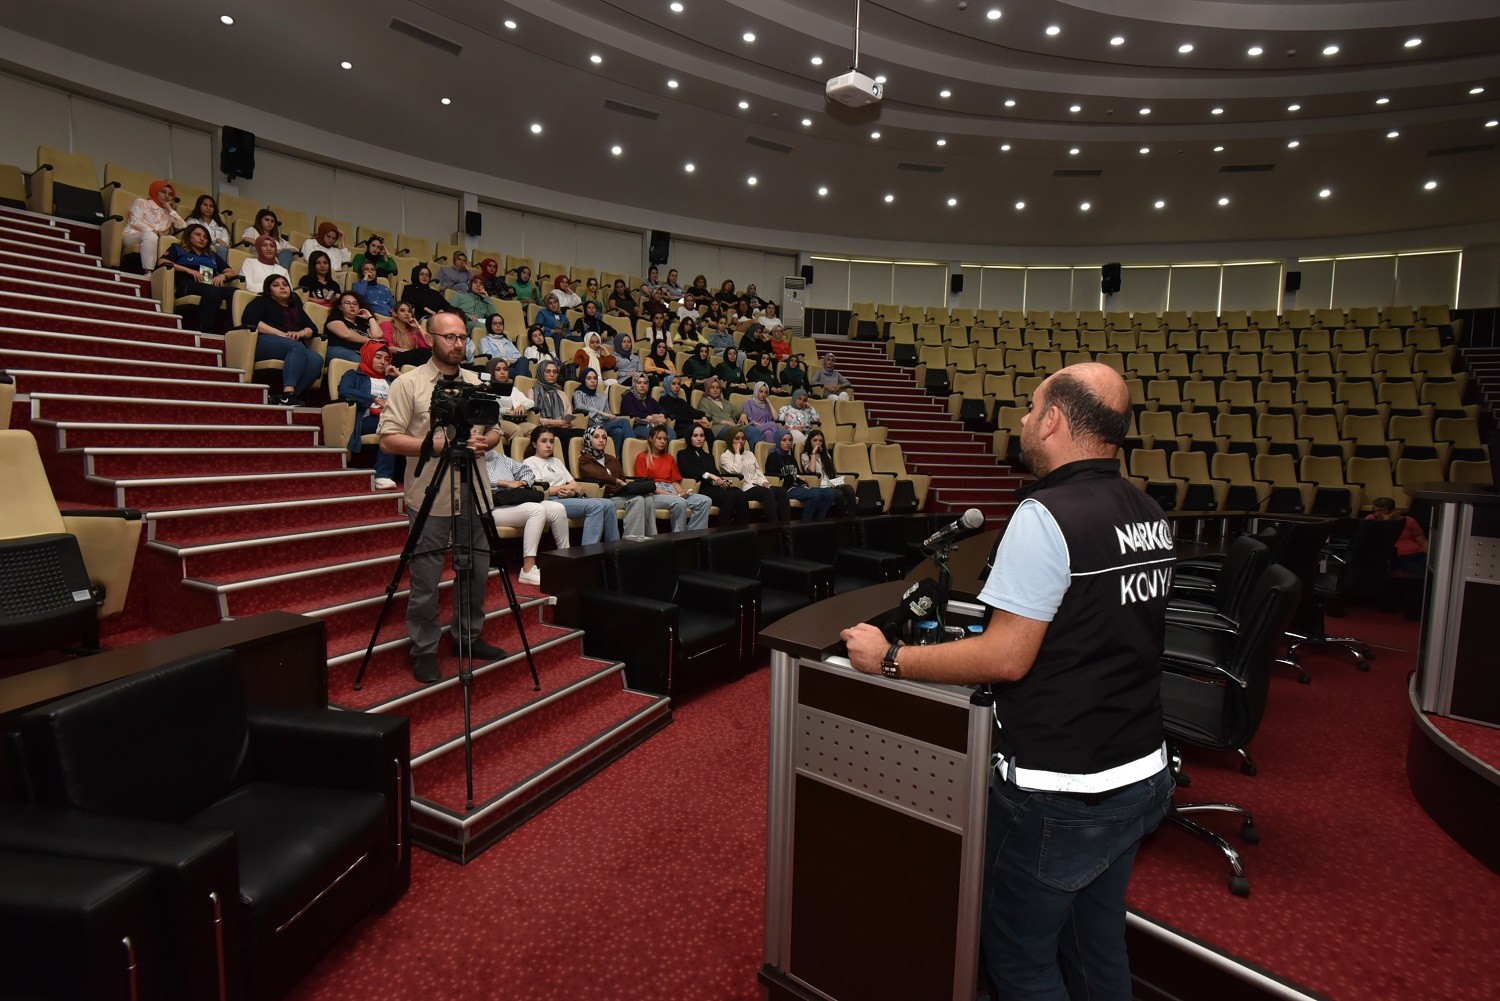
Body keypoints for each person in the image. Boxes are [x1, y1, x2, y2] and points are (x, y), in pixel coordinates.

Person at [840, 362, 1175, 1000]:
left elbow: (1005, 658)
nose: (1021, 420)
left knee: (1021, 961)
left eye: (1030, 408)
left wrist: (889, 659)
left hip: (1062, 791)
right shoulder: (1148, 511)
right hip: (1139, 773)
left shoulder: (1044, 515)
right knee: (1094, 944)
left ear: (1053, 421)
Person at [378, 311, 510, 683]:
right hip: (430, 494)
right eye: (449, 337)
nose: (457, 343)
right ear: (431, 339)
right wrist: (436, 444)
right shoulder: (409, 384)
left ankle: (469, 637)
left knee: (477, 573)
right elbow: (388, 439)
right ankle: (424, 649)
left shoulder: (476, 382)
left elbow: (496, 429)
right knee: (426, 578)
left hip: (474, 489)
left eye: (462, 337)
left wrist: (488, 441)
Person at [484, 445, 569, 588]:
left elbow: (526, 471)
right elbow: (477, 480)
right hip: (492, 506)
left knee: (558, 508)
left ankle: (565, 562)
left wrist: (523, 482)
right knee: (536, 509)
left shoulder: (501, 458)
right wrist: (504, 483)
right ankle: (528, 569)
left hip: (514, 501)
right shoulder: (472, 459)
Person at [524, 429, 620, 545]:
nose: (548, 445)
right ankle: (588, 553)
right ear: (534, 444)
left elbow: (575, 485)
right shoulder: (530, 462)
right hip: (550, 501)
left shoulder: (556, 461)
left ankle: (614, 548)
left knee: (608, 504)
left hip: (568, 497)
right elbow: (542, 489)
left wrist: (571, 492)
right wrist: (567, 488)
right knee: (595, 506)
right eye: (544, 441)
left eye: (551, 441)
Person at [240, 275, 322, 406]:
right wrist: (280, 334)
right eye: (276, 285)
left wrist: (300, 333)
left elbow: (313, 328)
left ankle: (286, 397)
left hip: (291, 344)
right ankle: (288, 393)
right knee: (297, 347)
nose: (282, 287)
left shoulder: (295, 308)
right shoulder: (261, 301)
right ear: (269, 291)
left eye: (285, 284)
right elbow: (250, 320)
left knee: (316, 359)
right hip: (264, 342)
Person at [337, 341, 400, 489]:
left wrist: (398, 376)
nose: (382, 362)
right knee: (390, 427)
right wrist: (375, 399)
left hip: (392, 418)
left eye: (386, 359)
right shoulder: (354, 375)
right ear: (368, 356)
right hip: (366, 419)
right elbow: (345, 391)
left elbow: (413, 394)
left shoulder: (390, 380)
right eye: (378, 357)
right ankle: (383, 475)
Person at [577, 425, 654, 539]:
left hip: (619, 494)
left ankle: (651, 539)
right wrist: (616, 481)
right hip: (604, 496)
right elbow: (598, 475)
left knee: (648, 498)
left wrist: (622, 484)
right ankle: (631, 541)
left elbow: (622, 477)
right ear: (588, 439)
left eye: (604, 437)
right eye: (596, 437)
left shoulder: (611, 459)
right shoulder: (584, 459)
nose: (601, 440)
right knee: (637, 499)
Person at [160, 222, 237, 332]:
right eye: (198, 235)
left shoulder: (211, 255)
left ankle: (231, 329)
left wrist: (222, 276)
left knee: (235, 292)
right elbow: (162, 261)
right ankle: (205, 328)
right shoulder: (178, 248)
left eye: (205, 237)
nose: (202, 239)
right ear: (188, 235)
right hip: (187, 284)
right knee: (213, 291)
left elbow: (231, 272)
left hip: (209, 284)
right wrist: (188, 270)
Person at [635, 426, 712, 532]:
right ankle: (678, 536)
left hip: (672, 490)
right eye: (659, 438)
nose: (662, 441)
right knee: (679, 502)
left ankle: (692, 535)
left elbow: (674, 481)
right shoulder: (642, 457)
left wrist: (681, 491)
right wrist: (673, 496)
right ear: (651, 439)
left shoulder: (669, 458)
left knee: (705, 501)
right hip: (654, 492)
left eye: (665, 439)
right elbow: (646, 485)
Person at [676, 424, 749, 526]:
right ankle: (723, 532)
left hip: (713, 487)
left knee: (740, 493)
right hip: (699, 488)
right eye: (695, 436)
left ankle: (744, 530)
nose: (699, 439)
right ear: (689, 437)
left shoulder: (708, 456)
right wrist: (709, 475)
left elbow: (715, 474)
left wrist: (722, 481)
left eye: (702, 436)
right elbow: (688, 470)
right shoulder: (683, 454)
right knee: (729, 496)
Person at [719, 428, 791, 522]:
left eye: (743, 438)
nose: (740, 441)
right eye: (737, 438)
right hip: (743, 489)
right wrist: (737, 453)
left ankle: (787, 527)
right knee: (766, 492)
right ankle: (774, 527)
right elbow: (736, 471)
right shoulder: (725, 456)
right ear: (730, 439)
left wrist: (764, 482)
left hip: (757, 485)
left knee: (781, 491)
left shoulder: (749, 454)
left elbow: (758, 471)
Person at [765, 430, 836, 519]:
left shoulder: (791, 458)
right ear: (779, 441)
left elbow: (798, 475)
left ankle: (818, 521)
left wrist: (804, 484)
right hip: (785, 490)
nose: (788, 443)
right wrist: (795, 478)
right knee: (814, 494)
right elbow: (775, 478)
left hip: (797, 487)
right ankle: (805, 524)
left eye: (790, 440)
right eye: (784, 440)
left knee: (830, 493)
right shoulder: (772, 457)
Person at [573, 367, 633, 454]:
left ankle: (615, 457)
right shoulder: (579, 393)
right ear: (583, 379)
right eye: (589, 378)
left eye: (595, 378)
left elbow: (607, 414)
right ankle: (633, 449)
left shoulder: (602, 397)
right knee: (624, 422)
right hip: (590, 425)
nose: (593, 381)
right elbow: (579, 406)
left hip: (604, 424)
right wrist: (599, 412)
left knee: (618, 432)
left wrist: (607, 416)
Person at [1367, 497, 1429, 575]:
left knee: (1433, 568)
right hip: (1399, 557)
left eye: (1381, 511)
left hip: (1419, 554)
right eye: (1374, 510)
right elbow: (1377, 541)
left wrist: (1430, 557)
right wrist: (1386, 523)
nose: (1376, 514)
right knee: (1419, 572)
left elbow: (1423, 542)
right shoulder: (1371, 520)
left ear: (1392, 511)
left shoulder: (1409, 520)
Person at [531, 359, 583, 450]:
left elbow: (568, 415)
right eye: (548, 371)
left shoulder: (562, 394)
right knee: (569, 437)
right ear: (540, 373)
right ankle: (570, 463)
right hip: (544, 428)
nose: (552, 375)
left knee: (588, 435)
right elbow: (533, 416)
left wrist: (567, 422)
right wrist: (554, 422)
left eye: (555, 372)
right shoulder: (533, 392)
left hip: (563, 427)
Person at [800, 430, 855, 514]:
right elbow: (812, 471)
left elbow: (833, 473)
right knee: (839, 493)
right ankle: (843, 518)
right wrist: (814, 453)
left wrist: (837, 481)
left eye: (820, 441)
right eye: (815, 440)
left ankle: (852, 517)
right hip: (819, 485)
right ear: (809, 441)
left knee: (849, 489)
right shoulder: (805, 455)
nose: (818, 443)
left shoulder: (826, 455)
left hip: (830, 483)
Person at [485, 358, 539, 441]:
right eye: (498, 370)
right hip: (495, 422)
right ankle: (515, 454)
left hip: (514, 421)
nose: (502, 372)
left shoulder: (513, 389)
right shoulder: (486, 389)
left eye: (505, 369)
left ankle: (529, 454)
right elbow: (488, 410)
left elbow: (530, 402)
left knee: (535, 430)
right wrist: (506, 411)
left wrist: (523, 406)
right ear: (491, 372)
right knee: (517, 430)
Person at [325, 290, 380, 364]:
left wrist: (370, 317)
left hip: (362, 351)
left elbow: (377, 335)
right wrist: (370, 341)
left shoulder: (362, 322)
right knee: (360, 361)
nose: (352, 306)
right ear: (340, 307)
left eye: (355, 303)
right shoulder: (335, 317)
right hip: (340, 349)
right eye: (347, 303)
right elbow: (346, 334)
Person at [657, 374, 713, 440]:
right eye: (674, 384)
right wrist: (694, 421)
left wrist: (703, 416)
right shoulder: (664, 399)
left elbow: (693, 411)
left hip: (689, 426)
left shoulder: (681, 401)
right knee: (703, 431)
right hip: (678, 428)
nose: (677, 386)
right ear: (667, 385)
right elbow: (674, 417)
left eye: (678, 384)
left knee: (707, 430)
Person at [620, 372, 673, 441]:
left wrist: (661, 415)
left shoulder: (648, 398)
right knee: (657, 435)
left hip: (653, 424)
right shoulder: (628, 396)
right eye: (639, 383)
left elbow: (662, 409)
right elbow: (633, 412)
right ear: (634, 384)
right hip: (637, 426)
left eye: (645, 383)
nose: (642, 385)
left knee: (672, 433)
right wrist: (649, 417)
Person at [381, 300, 433, 368]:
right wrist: (410, 352)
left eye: (409, 311)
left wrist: (419, 327)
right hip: (393, 358)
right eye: (402, 310)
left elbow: (429, 345)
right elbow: (388, 347)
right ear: (395, 313)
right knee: (425, 353)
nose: (407, 314)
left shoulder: (413, 330)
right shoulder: (387, 325)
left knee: (422, 362)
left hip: (409, 359)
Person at [698, 376, 744, 443]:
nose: (715, 390)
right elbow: (707, 419)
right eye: (712, 387)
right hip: (718, 427)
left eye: (718, 387)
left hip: (734, 426)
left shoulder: (725, 401)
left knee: (752, 430)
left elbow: (737, 411)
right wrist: (726, 422)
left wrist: (743, 414)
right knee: (735, 432)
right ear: (708, 389)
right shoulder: (704, 401)